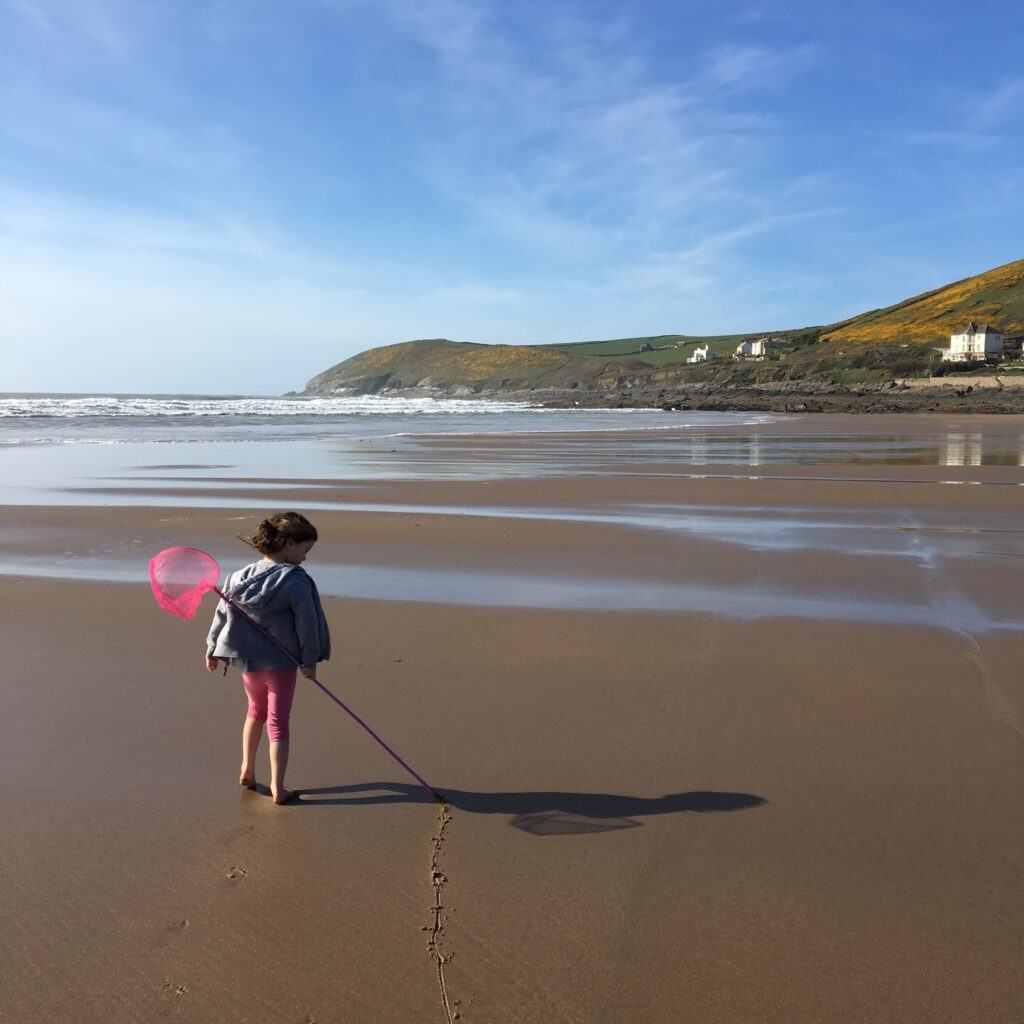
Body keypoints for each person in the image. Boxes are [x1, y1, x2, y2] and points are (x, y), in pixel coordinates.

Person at [205, 511, 331, 805]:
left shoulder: (238, 577)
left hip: (247, 662)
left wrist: (212, 648)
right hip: (281, 662)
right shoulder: (295, 581)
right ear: (288, 543)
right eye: (304, 549)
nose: (305, 558)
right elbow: (307, 623)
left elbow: (222, 614)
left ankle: (247, 770)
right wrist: (309, 660)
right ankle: (278, 787)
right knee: (278, 722)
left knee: (254, 711)